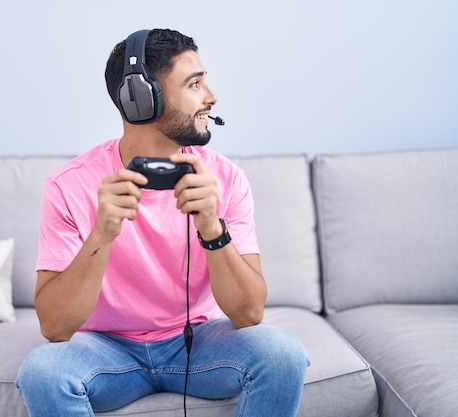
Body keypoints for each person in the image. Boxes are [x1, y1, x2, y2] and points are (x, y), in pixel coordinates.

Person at [16, 28, 309, 417]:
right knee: (42, 372)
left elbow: (249, 314)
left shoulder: (226, 179)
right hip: (106, 349)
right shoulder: (69, 185)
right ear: (141, 99)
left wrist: (212, 228)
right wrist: (102, 233)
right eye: (194, 83)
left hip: (197, 342)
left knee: (283, 354)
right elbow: (55, 328)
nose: (212, 96)